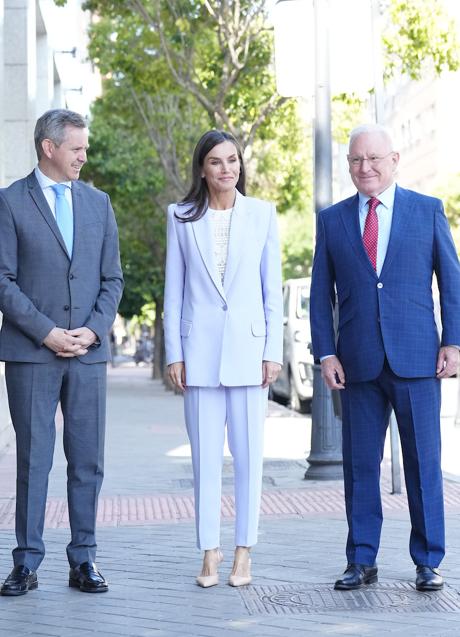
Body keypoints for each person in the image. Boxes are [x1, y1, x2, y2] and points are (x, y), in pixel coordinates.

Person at [310, 123, 460, 593]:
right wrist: (326, 352)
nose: (364, 167)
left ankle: (428, 560)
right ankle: (361, 559)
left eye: (373, 158)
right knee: (359, 466)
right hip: (356, 363)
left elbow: (451, 283)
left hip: (417, 359)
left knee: (422, 462)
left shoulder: (427, 210)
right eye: (356, 160)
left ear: (394, 160)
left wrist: (453, 342)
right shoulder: (332, 220)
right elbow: (320, 294)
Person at [0, 109, 123, 595]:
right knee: (33, 459)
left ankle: (84, 561)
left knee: (87, 460)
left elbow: (112, 279)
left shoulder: (99, 203)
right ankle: (26, 563)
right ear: (49, 148)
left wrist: (92, 332)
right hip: (33, 353)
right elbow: (2, 281)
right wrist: (47, 332)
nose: (83, 157)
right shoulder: (9, 202)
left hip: (88, 355)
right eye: (77, 148)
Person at [164, 130, 283, 588]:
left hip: (251, 354)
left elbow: (272, 292)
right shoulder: (179, 217)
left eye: (232, 160)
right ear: (202, 169)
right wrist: (175, 352)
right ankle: (209, 553)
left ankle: (243, 553)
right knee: (205, 460)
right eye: (216, 162)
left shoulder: (262, 215)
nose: (226, 169)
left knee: (250, 458)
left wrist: (272, 350)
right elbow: (173, 292)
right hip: (198, 355)